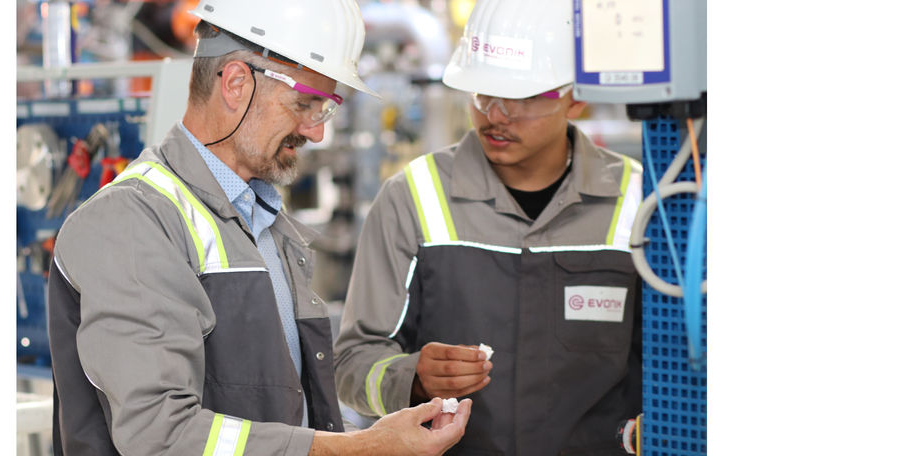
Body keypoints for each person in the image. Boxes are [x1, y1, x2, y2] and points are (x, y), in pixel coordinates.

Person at [46, 0, 472, 454]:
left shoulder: (264, 221)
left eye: (324, 110)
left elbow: (281, 412)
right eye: (307, 104)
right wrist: (361, 449)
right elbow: (162, 435)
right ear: (235, 84)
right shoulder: (131, 222)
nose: (316, 132)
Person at [333, 0, 642, 454]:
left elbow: (684, 363)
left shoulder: (639, 202)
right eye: (482, 93)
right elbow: (351, 364)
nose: (496, 114)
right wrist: (411, 378)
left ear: (575, 97)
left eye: (523, 96)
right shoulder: (413, 197)